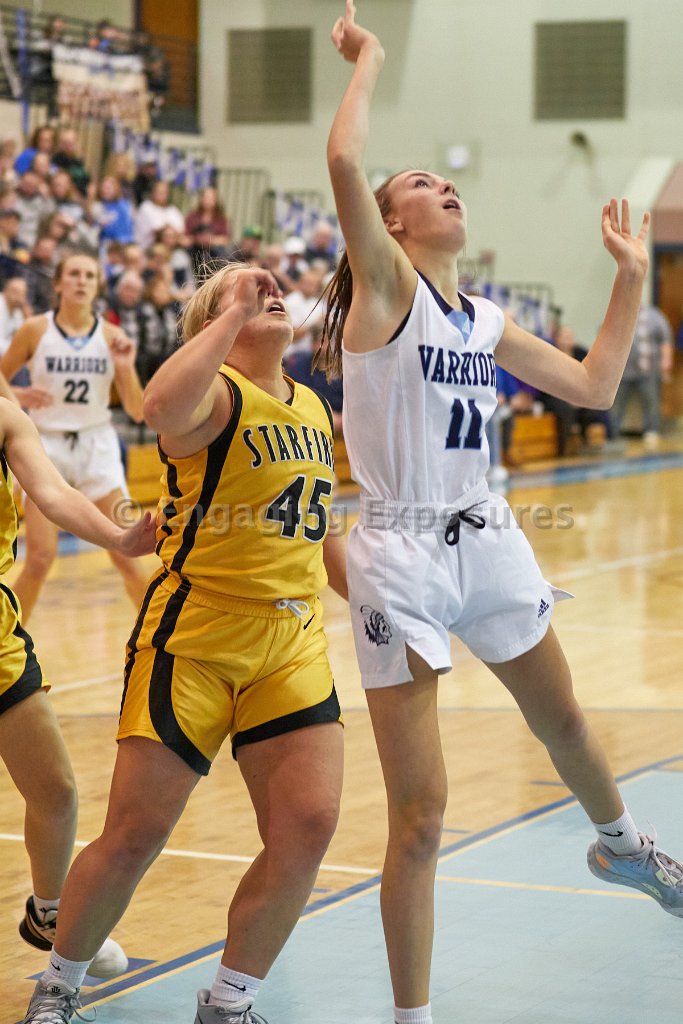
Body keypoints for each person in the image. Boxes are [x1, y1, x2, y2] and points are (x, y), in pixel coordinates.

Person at [321, 5, 683, 1022]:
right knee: (422, 816)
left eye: (445, 181)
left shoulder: (480, 318)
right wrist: (370, 57)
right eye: (420, 184)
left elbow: (593, 386)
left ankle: (621, 846)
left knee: (562, 718)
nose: (445, 186)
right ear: (391, 224)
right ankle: (412, 1016)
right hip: (400, 552)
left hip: (484, 531)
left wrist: (629, 278)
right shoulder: (383, 290)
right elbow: (343, 159)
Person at [19, 263, 347, 1024]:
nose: (269, 290)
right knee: (135, 833)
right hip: (196, 637)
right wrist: (229, 317)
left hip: (291, 640)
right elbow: (157, 407)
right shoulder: (213, 394)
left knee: (308, 824)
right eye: (247, 289)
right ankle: (59, 987)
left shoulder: (311, 404)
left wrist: (385, 603)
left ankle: (229, 1003)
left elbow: (319, 526)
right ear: (211, 324)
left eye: (272, 288)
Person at [0, 379, 155, 982]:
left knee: (57, 791)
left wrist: (118, 537)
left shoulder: (6, 418)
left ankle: (48, 911)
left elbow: (54, 493)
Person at [0, 251, 149, 623]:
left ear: (98, 285)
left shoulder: (113, 336)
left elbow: (137, 410)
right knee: (39, 558)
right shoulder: (35, 329)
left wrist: (126, 367)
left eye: (89, 275)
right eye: (74, 274)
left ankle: (160, 640)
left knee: (127, 553)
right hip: (45, 445)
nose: (81, 281)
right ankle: (8, 642)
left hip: (97, 445)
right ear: (58, 283)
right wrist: (17, 397)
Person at [610, 302, 674, 448]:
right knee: (616, 402)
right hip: (624, 371)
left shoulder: (655, 317)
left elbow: (665, 340)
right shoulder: (620, 315)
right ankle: (612, 432)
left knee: (651, 401)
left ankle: (652, 431)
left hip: (648, 370)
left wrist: (666, 360)